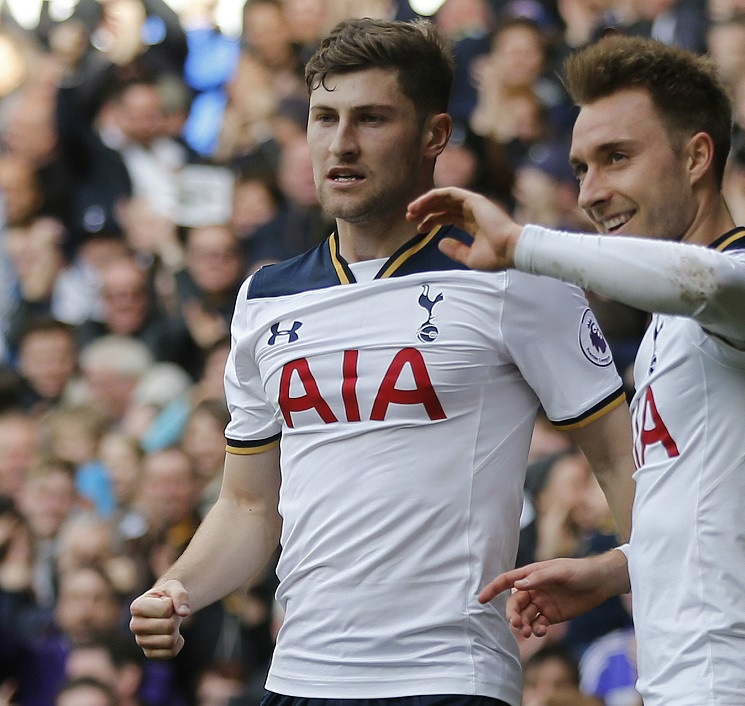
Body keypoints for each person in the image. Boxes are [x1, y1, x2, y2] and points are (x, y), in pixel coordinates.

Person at [129, 18, 634, 706]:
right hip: (298, 678)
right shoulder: (264, 297)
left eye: (371, 118)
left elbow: (618, 458)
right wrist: (179, 586)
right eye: (324, 117)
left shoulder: (513, 277)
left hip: (448, 678)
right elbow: (249, 504)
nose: (341, 143)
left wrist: (633, 575)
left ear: (434, 136)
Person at [410, 35, 745, 706]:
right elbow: (723, 512)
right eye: (580, 168)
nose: (591, 192)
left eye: (617, 159)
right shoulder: (669, 328)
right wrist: (616, 569)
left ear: (697, 156)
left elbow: (703, 281)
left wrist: (526, 244)